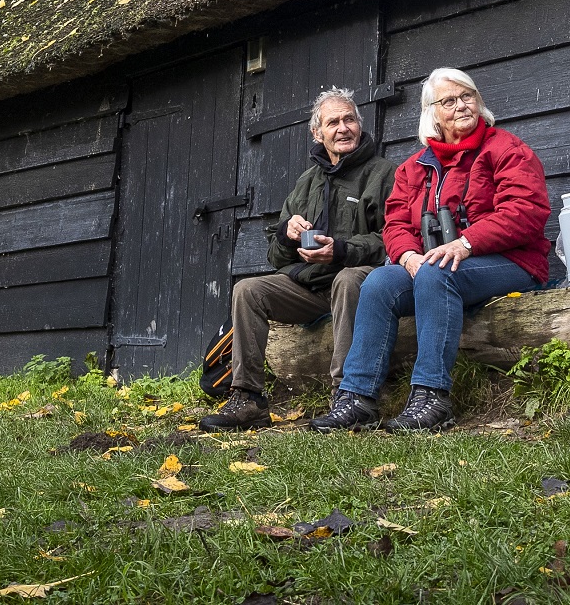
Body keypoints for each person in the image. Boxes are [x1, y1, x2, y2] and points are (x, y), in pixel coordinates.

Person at [310, 67, 550, 434]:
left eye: (467, 96)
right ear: (432, 113)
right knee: (379, 283)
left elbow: (525, 212)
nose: (461, 106)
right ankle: (357, 399)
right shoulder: (415, 167)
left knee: (437, 273)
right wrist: (406, 255)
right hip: (440, 265)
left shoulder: (506, 148)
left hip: (511, 260)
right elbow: (396, 224)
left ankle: (431, 396)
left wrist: (467, 243)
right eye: (449, 101)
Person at [199, 87, 397, 432]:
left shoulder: (382, 173)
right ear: (317, 133)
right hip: (311, 287)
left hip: (357, 282)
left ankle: (348, 397)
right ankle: (248, 398)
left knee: (347, 279)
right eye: (333, 122)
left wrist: (341, 249)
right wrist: (285, 234)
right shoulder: (308, 182)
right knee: (248, 289)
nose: (343, 128)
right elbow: (276, 259)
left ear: (359, 125)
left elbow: (393, 238)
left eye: (349, 119)